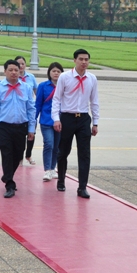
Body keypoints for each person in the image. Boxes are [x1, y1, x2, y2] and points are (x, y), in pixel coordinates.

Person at [52, 49, 99, 198]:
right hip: (67, 117)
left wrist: (96, 122)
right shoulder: (65, 77)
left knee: (84, 153)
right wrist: (56, 119)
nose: (84, 62)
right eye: (81, 59)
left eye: (86, 59)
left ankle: (82, 187)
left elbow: (94, 101)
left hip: (84, 118)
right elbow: (57, 99)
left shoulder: (92, 79)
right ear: (74, 60)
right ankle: (61, 180)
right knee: (63, 151)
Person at [0, 60, 36, 198]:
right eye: (11, 70)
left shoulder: (26, 88)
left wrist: (31, 129)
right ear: (5, 71)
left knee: (18, 154)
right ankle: (9, 184)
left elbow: (31, 109)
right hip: (4, 126)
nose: (14, 72)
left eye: (16, 69)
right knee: (7, 153)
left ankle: (7, 175)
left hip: (21, 127)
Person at [35, 62, 63, 181]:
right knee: (49, 144)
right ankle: (47, 170)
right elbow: (38, 104)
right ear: (49, 73)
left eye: (58, 71)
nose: (56, 73)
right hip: (46, 120)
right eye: (53, 71)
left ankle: (53, 168)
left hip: (60, 121)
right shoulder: (43, 86)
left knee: (57, 146)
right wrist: (33, 121)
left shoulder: (64, 85)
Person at [16, 56, 38, 166]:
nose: (21, 66)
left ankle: (28, 155)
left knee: (31, 133)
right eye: (18, 64)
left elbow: (36, 92)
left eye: (22, 63)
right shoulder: (14, 78)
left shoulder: (31, 77)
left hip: (29, 110)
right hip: (19, 111)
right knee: (20, 138)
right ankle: (19, 157)